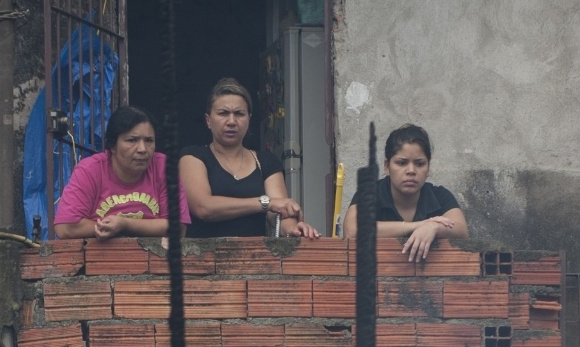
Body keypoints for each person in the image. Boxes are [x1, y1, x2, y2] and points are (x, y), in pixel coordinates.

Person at [179, 79, 320, 239]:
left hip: (254, 259)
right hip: (203, 258)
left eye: (239, 114)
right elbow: (203, 208)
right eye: (223, 113)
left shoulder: (266, 162)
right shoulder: (193, 156)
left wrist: (295, 230)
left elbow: (279, 211)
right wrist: (266, 203)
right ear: (208, 120)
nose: (231, 121)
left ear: (249, 119)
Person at [52, 106, 190, 239]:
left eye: (149, 141)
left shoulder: (163, 167)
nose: (142, 149)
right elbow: (65, 227)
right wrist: (111, 229)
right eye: (132, 140)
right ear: (112, 146)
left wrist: (125, 225)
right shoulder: (90, 170)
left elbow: (178, 228)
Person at [340, 123, 468, 261]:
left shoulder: (439, 196)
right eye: (401, 163)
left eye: (419, 164)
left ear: (428, 167)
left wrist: (433, 227)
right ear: (387, 166)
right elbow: (353, 231)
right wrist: (417, 226)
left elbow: (462, 231)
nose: (411, 171)